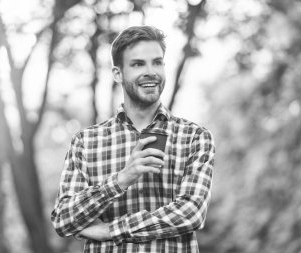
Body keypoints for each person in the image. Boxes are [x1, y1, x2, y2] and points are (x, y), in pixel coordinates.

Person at [51, 25, 215, 253]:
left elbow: (191, 213)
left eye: (157, 62)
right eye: (138, 64)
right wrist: (121, 179)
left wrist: (112, 230)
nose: (151, 72)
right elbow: (63, 219)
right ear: (117, 73)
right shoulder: (85, 142)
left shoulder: (194, 138)